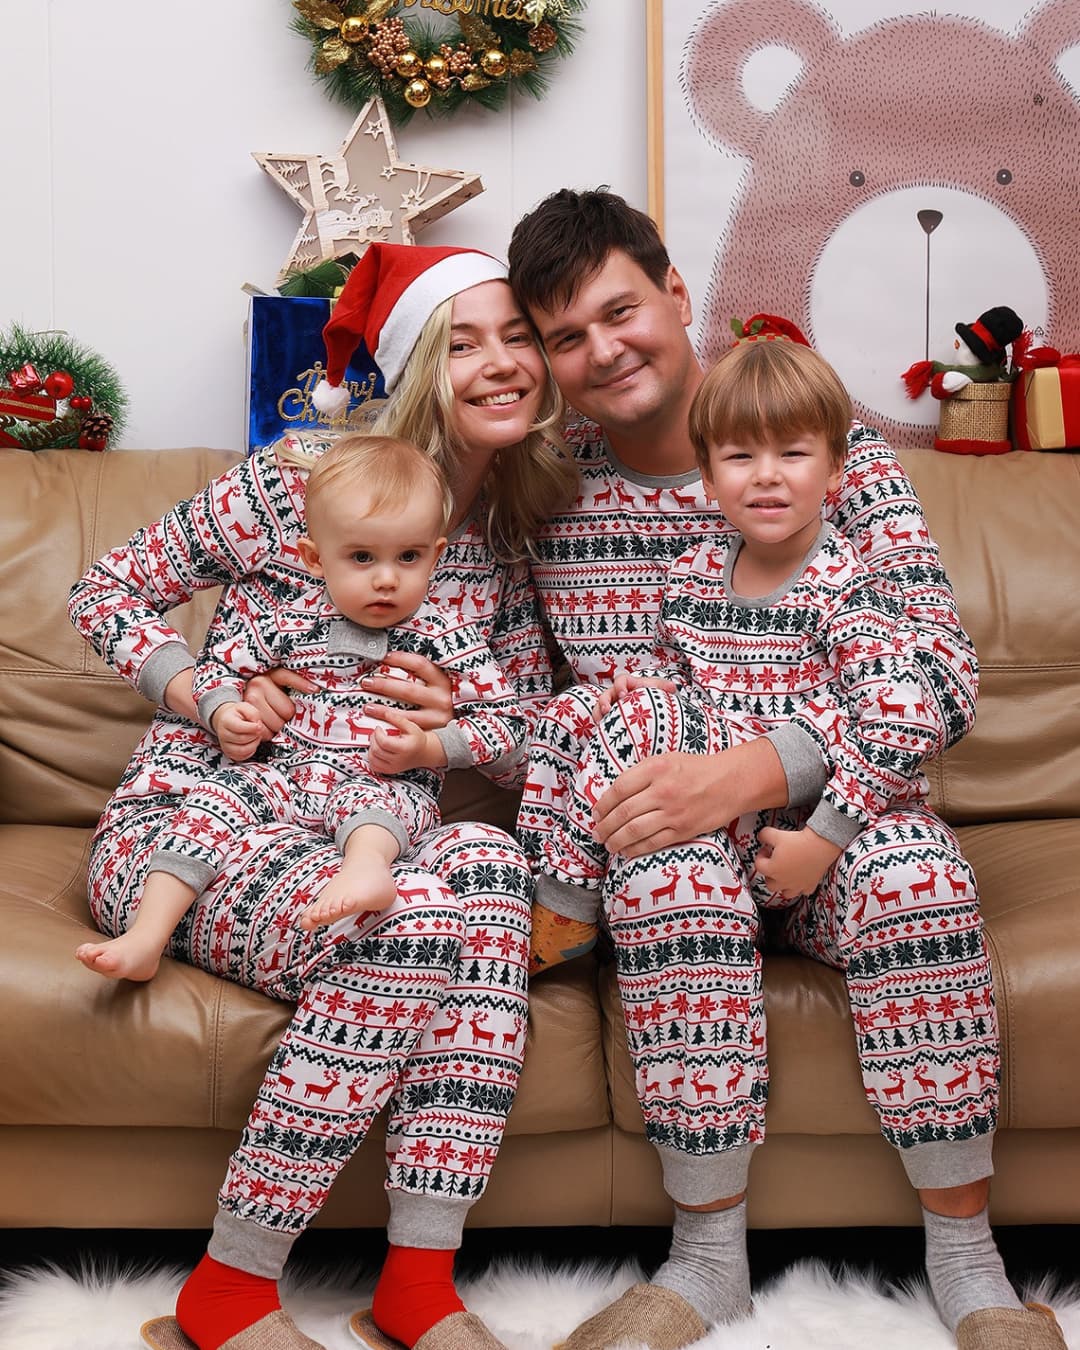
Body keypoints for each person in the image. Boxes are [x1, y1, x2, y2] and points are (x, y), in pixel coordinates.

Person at [506, 190, 1063, 1350]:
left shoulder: (825, 453)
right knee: (662, 876)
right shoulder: (547, 486)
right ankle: (706, 1263)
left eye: (622, 312)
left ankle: (969, 1259)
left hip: (841, 823)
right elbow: (527, 698)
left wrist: (756, 770)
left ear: (676, 295)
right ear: (549, 360)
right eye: (567, 336)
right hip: (662, 843)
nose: (603, 350)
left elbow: (939, 678)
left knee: (916, 869)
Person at [68, 241, 577, 1350]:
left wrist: (448, 726)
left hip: (366, 824)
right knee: (419, 920)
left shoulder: (493, 544)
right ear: (420, 362)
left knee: (489, 873)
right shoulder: (291, 485)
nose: (502, 364)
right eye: (467, 342)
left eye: (520, 337)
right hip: (198, 821)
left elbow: (537, 733)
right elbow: (107, 589)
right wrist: (204, 693)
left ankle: (418, 1284)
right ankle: (232, 1288)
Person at [74, 434, 528, 982]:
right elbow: (221, 664)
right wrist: (222, 708)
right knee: (220, 797)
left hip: (377, 780)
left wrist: (434, 743)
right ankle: (147, 933)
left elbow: (510, 723)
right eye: (362, 557)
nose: (386, 578)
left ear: (436, 555)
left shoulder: (447, 635)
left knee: (402, 818)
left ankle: (365, 869)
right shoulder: (290, 620)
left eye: (408, 558)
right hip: (281, 773)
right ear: (314, 558)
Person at [534, 335, 941, 933]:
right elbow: (679, 672)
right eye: (741, 458)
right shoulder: (693, 574)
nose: (767, 477)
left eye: (793, 454)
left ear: (834, 470)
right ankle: (555, 894)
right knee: (576, 710)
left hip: (816, 832)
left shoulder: (847, 584)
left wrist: (825, 838)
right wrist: (649, 686)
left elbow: (906, 719)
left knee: (920, 870)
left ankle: (566, 913)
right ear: (708, 475)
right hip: (724, 835)